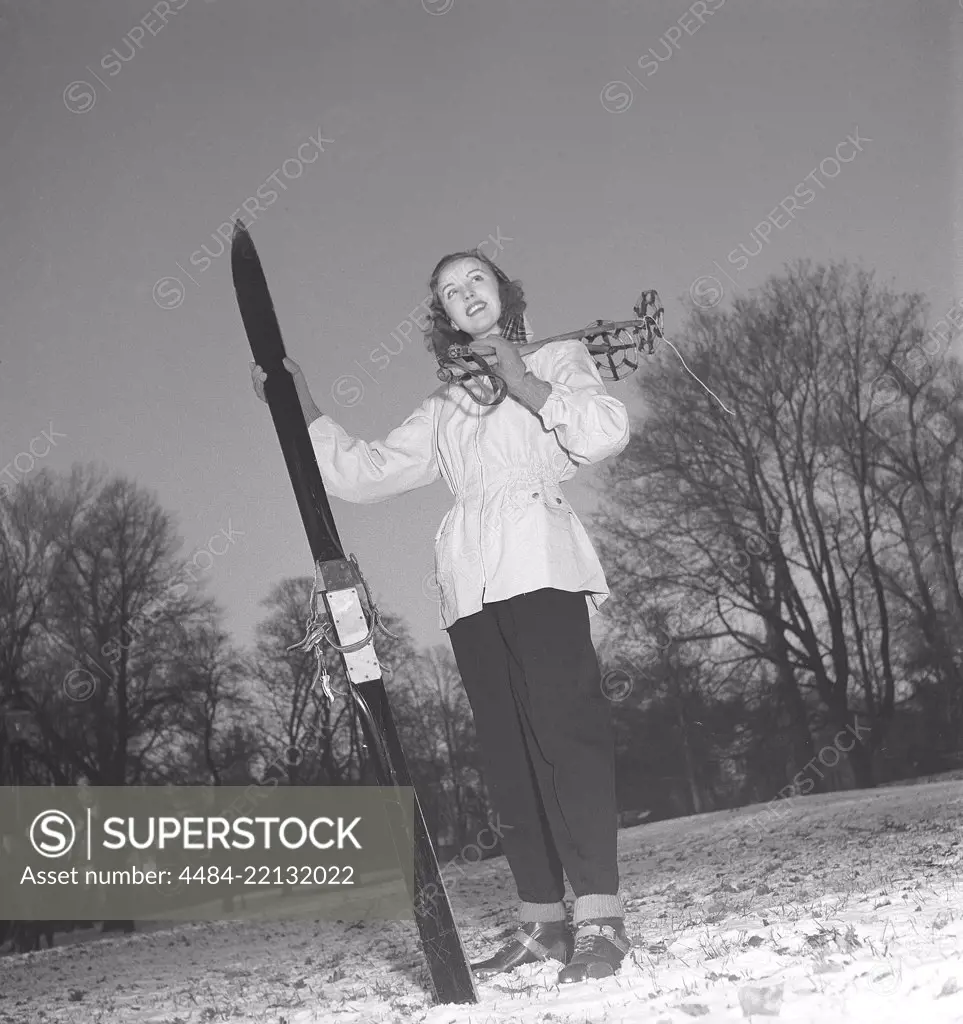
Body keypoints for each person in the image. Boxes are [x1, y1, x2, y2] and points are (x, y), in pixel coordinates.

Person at [250, 248, 632, 984]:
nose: (466, 295)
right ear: (445, 317)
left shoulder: (559, 358)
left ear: (503, 292)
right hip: (469, 586)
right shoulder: (444, 406)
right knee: (506, 756)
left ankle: (601, 921)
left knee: (565, 735)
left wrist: (523, 380)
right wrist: (301, 408)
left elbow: (602, 432)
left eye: (476, 280)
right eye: (451, 293)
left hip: (541, 561)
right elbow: (364, 474)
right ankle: (542, 925)